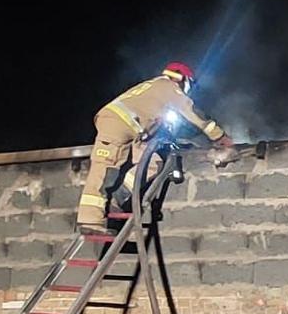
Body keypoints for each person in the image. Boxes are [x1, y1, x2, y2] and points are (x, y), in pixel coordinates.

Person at [79, 62, 235, 230]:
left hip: (132, 131)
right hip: (116, 123)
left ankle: (119, 198)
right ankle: (90, 220)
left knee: (154, 162)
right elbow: (192, 112)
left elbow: (155, 129)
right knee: (104, 168)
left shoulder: (154, 92)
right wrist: (220, 136)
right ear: (183, 79)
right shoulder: (167, 85)